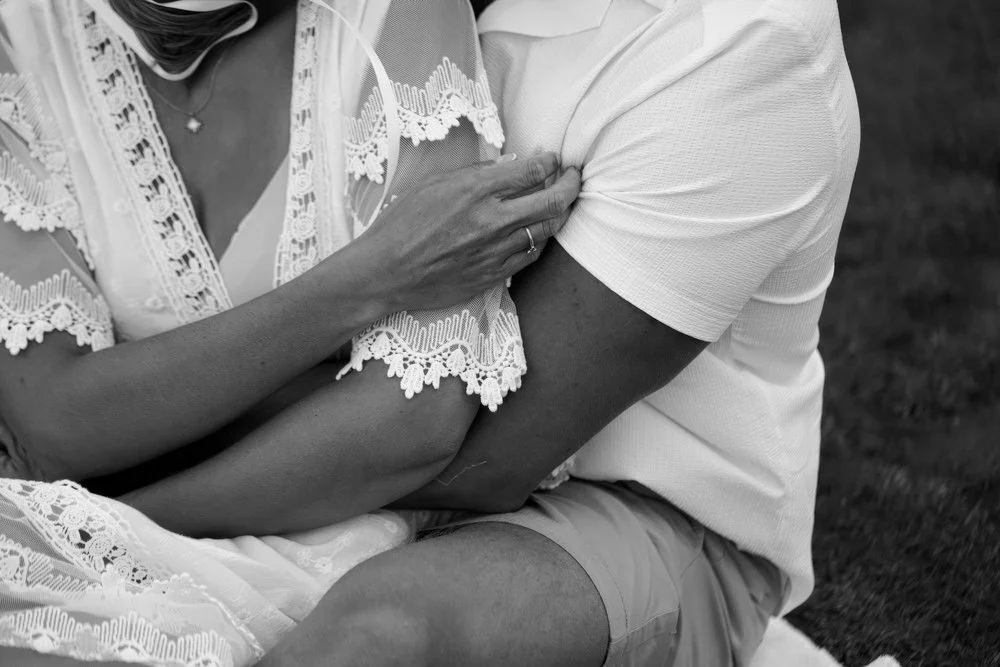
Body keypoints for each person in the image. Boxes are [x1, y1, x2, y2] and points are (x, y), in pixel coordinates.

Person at [255, 0, 862, 665]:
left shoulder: (745, 44)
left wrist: (148, 444)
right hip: (361, 415)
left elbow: (488, 453)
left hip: (632, 506)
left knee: (375, 638)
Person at [0, 0, 579, 664]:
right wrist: (371, 277)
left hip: (326, 551)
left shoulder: (397, 13)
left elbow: (411, 420)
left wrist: (109, 519)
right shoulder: (18, 33)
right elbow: (56, 421)